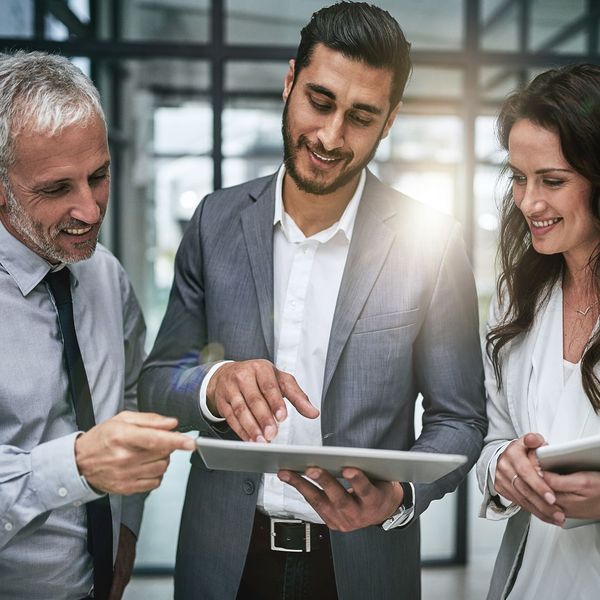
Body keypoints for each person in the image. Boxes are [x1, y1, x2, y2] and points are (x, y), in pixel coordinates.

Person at [139, 3, 487, 599]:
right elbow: (155, 383)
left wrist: (400, 496)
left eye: (361, 117)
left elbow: (460, 419)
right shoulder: (214, 220)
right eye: (319, 102)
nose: (330, 137)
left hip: (364, 566)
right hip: (224, 558)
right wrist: (212, 383)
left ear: (390, 121)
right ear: (289, 82)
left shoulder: (433, 243)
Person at [0, 51, 196, 600]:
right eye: (56, 189)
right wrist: (78, 464)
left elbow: (128, 398)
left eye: (99, 176)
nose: (90, 209)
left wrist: (126, 528)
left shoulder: (105, 275)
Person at [477, 63, 600, 600]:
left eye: (552, 181)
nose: (528, 202)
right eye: (518, 178)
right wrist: (502, 466)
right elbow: (490, 432)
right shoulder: (518, 297)